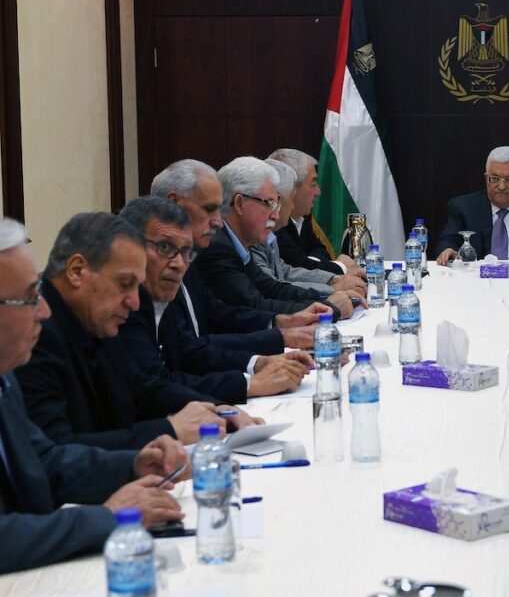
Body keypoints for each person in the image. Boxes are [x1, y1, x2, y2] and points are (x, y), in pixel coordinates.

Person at [0, 222, 189, 573]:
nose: (43, 311)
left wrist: (132, 465)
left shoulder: (3, 376)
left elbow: (44, 460)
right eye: (28, 298)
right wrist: (107, 517)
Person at [14, 213, 259, 450]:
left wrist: (215, 410)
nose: (134, 303)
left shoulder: (94, 319)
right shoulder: (30, 336)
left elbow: (143, 390)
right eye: (124, 284)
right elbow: (54, 452)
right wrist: (169, 429)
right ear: (77, 271)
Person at [118, 196, 311, 404]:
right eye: (164, 247)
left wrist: (258, 363)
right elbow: (152, 389)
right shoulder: (125, 307)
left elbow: (188, 350)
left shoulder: (160, 290)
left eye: (186, 252)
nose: (178, 264)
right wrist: (250, 384)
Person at [151, 158, 327, 355]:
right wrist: (258, 366)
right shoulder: (153, 268)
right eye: (209, 209)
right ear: (174, 203)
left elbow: (218, 314)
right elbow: (187, 352)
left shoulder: (189, 257)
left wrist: (281, 323)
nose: (218, 221)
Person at [193, 157, 354, 317]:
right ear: (240, 204)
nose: (275, 215)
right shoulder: (217, 248)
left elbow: (270, 288)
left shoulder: (239, 244)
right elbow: (255, 305)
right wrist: (328, 307)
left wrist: (327, 296)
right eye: (268, 203)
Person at [252, 159, 364, 297]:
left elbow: (285, 271)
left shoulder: (268, 233)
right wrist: (334, 289)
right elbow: (273, 288)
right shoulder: (255, 237)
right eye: (270, 203)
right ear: (240, 204)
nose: (292, 206)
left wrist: (334, 279)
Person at [434, 146, 509, 264]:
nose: (501, 186)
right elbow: (448, 240)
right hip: (476, 278)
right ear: (486, 178)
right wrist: (448, 249)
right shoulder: (463, 208)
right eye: (494, 178)